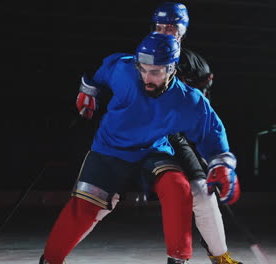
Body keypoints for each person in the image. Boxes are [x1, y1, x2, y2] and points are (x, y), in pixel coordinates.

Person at [40, 33, 239, 264]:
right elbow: (102, 72)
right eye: (143, 69)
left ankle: (178, 260)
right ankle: (50, 260)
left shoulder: (189, 101)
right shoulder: (124, 71)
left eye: (155, 72)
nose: (146, 78)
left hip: (153, 152)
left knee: (179, 189)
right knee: (83, 208)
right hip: (109, 150)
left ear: (172, 68)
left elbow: (212, 134)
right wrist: (88, 91)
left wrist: (221, 166)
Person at [151, 3, 243, 264]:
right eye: (161, 26)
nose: (166, 32)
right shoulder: (141, 56)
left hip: (176, 138)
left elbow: (202, 114)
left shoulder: (194, 65)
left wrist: (210, 154)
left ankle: (219, 256)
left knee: (201, 192)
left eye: (172, 27)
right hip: (141, 136)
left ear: (182, 30)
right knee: (103, 194)